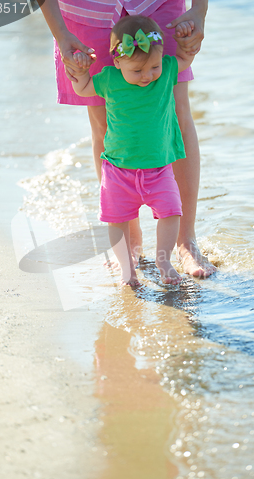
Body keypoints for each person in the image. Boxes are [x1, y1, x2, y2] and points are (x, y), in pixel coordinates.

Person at [39, 0, 216, 278]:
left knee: (176, 113)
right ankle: (129, 241)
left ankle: (185, 241)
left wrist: (200, 9)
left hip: (158, 5)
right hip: (87, 10)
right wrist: (61, 34)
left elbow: (183, 59)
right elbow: (85, 87)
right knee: (103, 125)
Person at [71, 15, 193, 286]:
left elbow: (184, 60)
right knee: (117, 221)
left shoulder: (167, 71)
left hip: (159, 169)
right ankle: (127, 269)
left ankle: (164, 260)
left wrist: (186, 41)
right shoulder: (109, 79)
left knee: (172, 212)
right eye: (137, 71)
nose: (147, 76)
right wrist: (80, 73)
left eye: (153, 66)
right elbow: (83, 89)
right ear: (117, 62)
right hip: (118, 171)